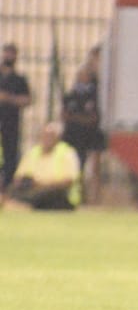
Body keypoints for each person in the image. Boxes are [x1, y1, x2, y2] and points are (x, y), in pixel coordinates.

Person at [7, 121, 81, 210]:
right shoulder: (33, 152)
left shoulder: (67, 152)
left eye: (51, 135)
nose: (47, 138)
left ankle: (24, 204)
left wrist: (42, 184)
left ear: (58, 137)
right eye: (45, 135)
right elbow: (19, 177)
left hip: (57, 192)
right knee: (13, 189)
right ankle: (23, 203)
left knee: (49, 193)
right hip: (34, 189)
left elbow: (68, 181)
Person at [61, 58, 106, 203]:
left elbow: (93, 118)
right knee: (76, 167)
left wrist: (75, 118)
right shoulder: (71, 95)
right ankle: (79, 197)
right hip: (73, 136)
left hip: (92, 136)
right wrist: (79, 118)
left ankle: (95, 199)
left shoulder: (96, 95)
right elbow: (64, 115)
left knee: (94, 168)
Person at [0, 42, 32, 190]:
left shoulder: (19, 80)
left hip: (11, 123)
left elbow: (27, 100)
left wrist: (9, 98)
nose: (8, 56)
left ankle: (7, 186)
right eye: (7, 52)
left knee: (10, 154)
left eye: (12, 53)